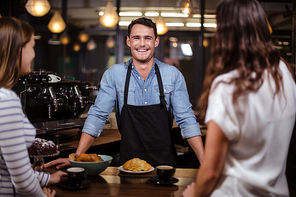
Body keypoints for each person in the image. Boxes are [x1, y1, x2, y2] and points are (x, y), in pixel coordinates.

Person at [45, 17, 204, 169]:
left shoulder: (172, 75)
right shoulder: (114, 75)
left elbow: (187, 120)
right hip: (128, 165)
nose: (142, 44)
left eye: (148, 38)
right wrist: (77, 157)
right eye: (136, 38)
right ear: (128, 41)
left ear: (156, 42)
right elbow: (98, 115)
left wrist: (205, 162)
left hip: (165, 166)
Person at [182, 0, 296, 196]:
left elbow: (210, 172)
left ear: (226, 33)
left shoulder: (228, 84)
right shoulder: (283, 72)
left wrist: (194, 194)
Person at [0, 16, 67, 197]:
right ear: (17, 50)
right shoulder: (6, 101)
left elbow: (6, 166)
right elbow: (21, 180)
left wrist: (47, 179)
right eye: (32, 46)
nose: (34, 54)